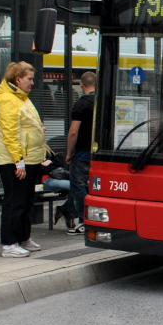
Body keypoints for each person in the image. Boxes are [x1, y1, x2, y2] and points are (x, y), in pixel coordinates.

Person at [0, 61, 49, 258]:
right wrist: (19, 161)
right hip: (14, 160)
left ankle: (23, 238)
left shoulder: (21, 98)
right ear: (18, 79)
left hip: (28, 158)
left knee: (25, 201)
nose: (32, 83)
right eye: (29, 79)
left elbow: (25, 125)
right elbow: (10, 132)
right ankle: (9, 243)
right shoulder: (8, 99)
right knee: (15, 201)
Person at [57, 71, 96, 235]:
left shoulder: (81, 104)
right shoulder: (104, 103)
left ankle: (83, 220)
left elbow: (73, 131)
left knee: (79, 187)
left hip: (81, 155)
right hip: (100, 155)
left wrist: (68, 153)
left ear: (81, 85)